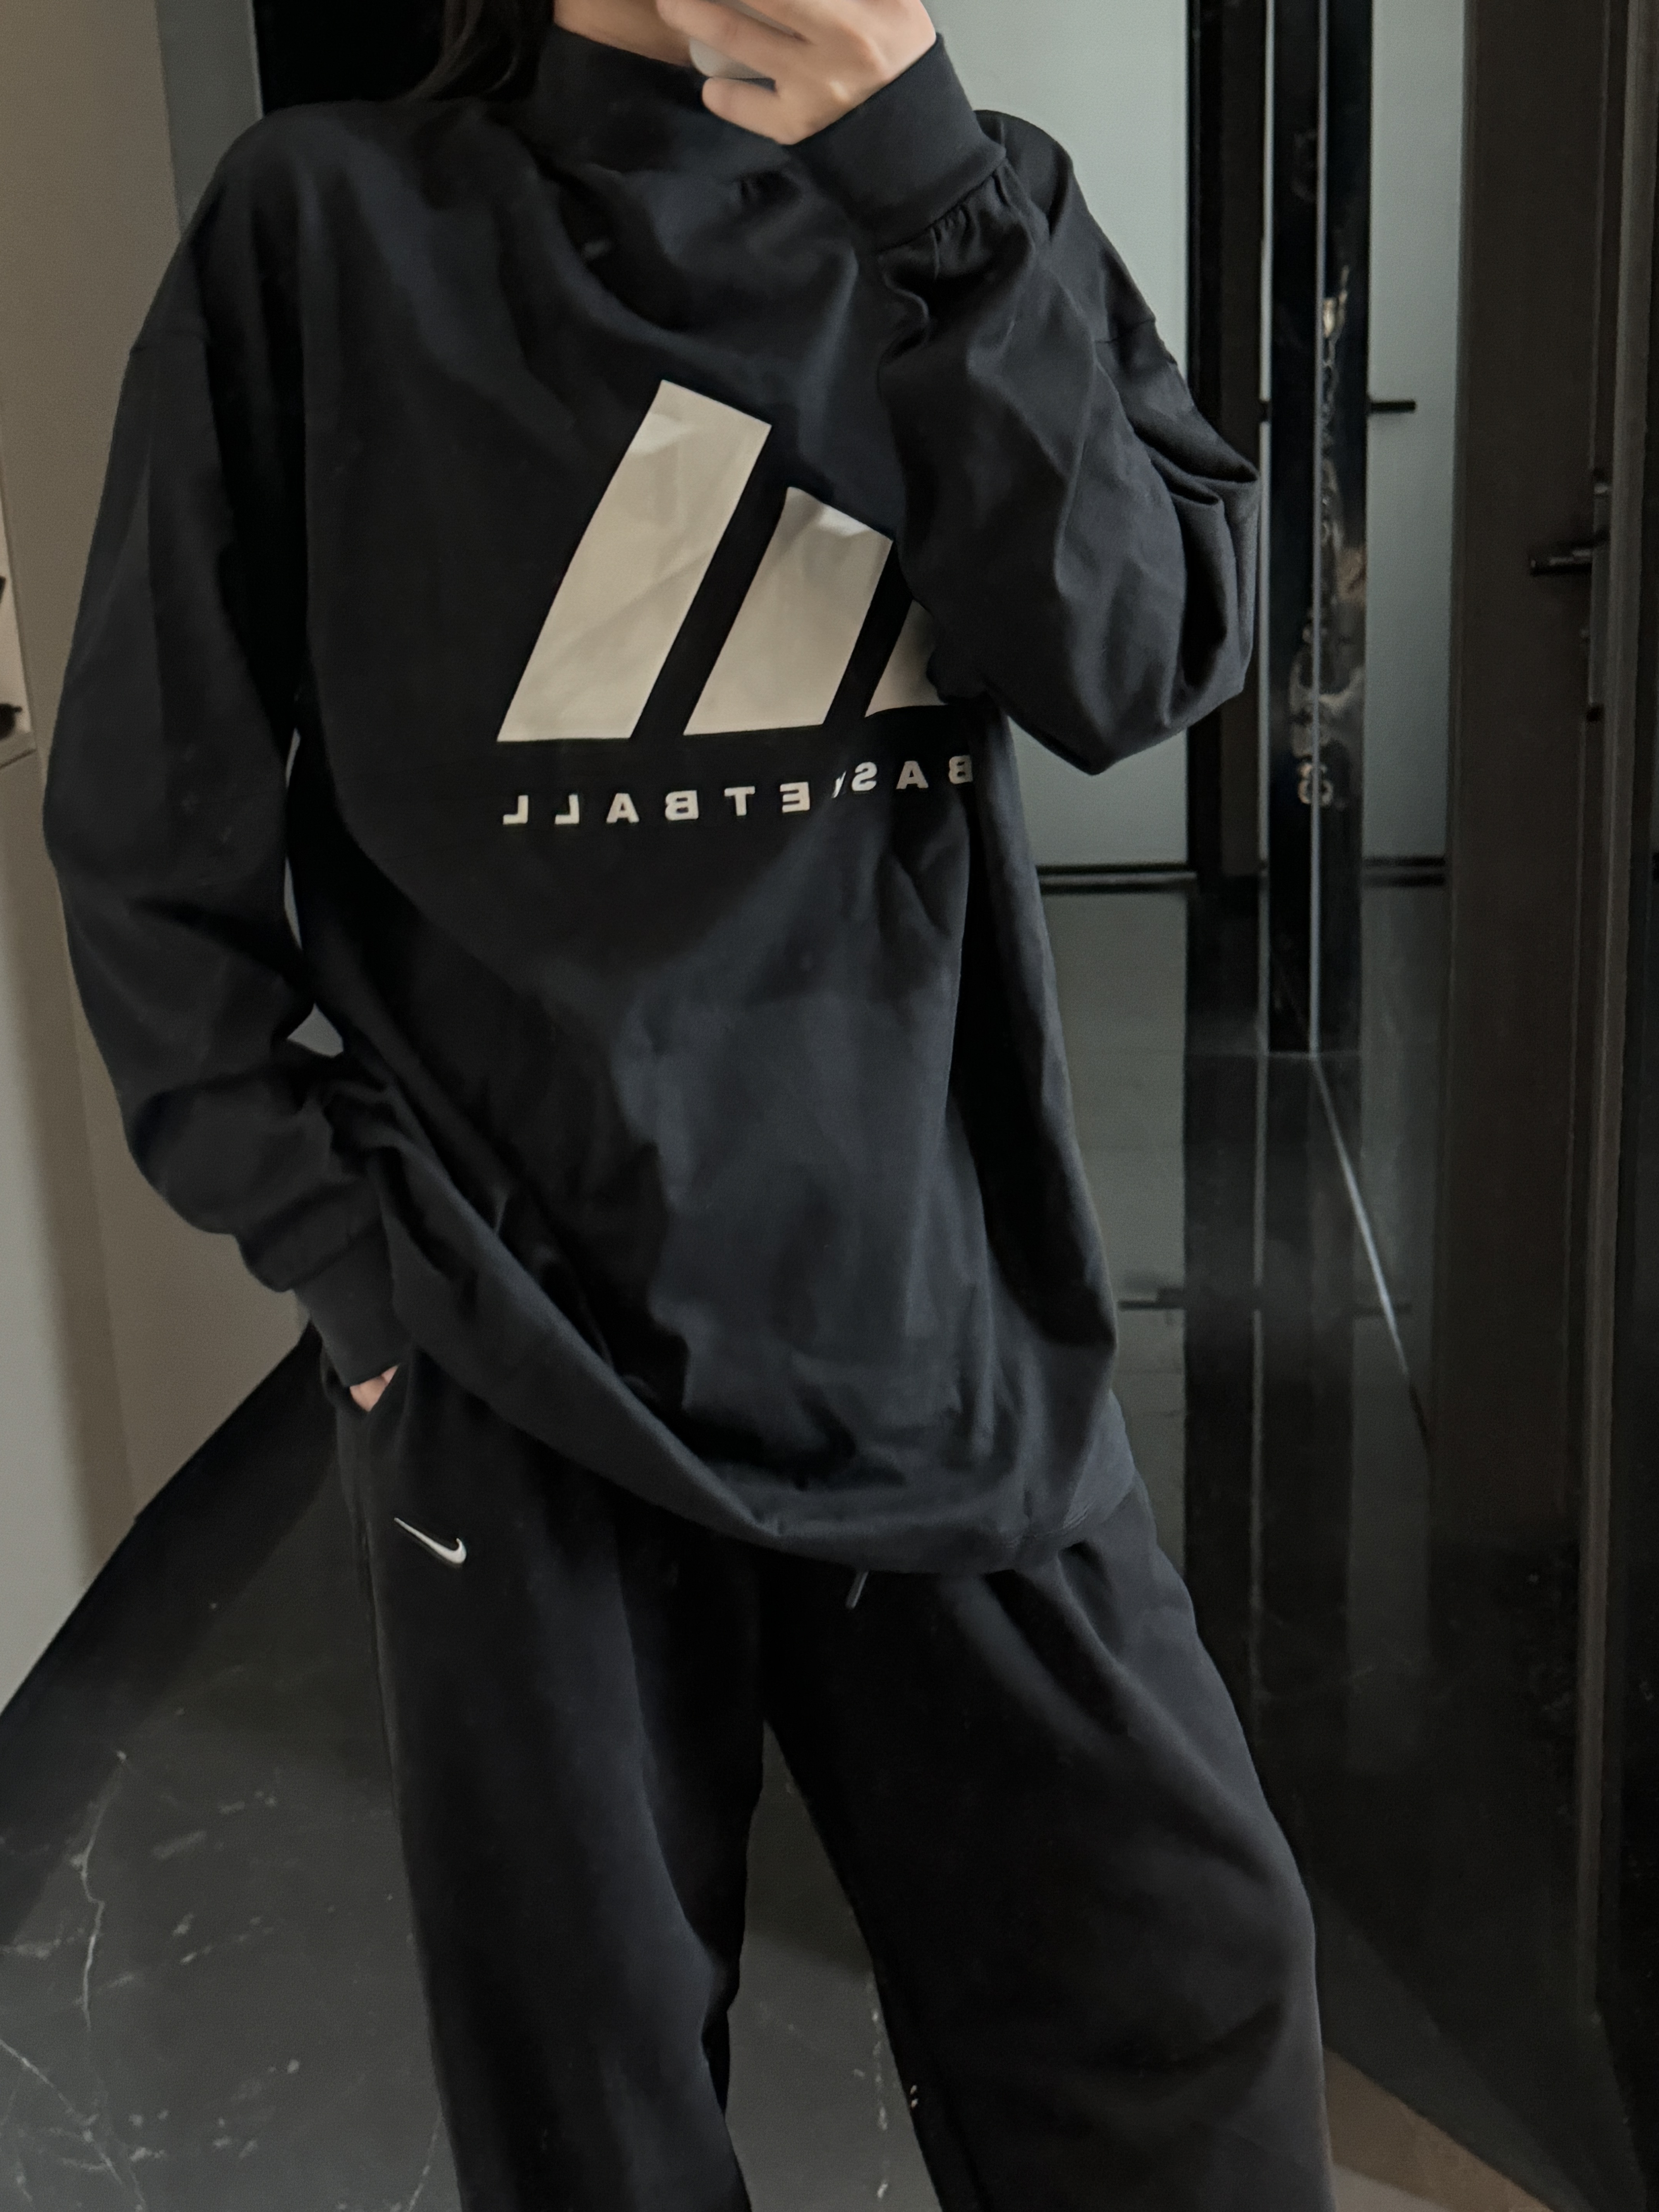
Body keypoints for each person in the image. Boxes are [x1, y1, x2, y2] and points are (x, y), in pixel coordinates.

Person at [43, 0, 1334, 2203]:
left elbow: (1143, 662)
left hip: (939, 1339)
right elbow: (147, 831)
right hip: (516, 1371)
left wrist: (926, 187)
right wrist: (351, 1270)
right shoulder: (323, 229)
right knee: (595, 2129)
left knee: (1188, 2005)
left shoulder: (982, 204)